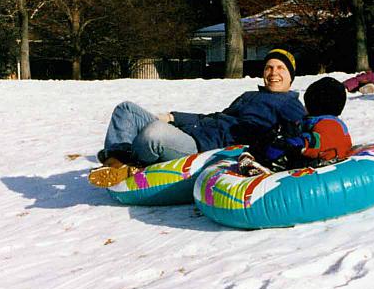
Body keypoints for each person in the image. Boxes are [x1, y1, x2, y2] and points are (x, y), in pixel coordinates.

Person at [89, 49, 306, 187]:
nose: (273, 72)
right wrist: (174, 117)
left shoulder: (290, 104)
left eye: (280, 68)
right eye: (269, 67)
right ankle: (115, 162)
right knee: (126, 109)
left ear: (290, 76)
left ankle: (126, 159)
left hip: (204, 146)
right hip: (192, 132)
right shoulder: (249, 96)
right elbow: (214, 117)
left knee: (153, 133)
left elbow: (306, 130)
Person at [238, 76, 352, 175]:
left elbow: (320, 142)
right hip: (310, 155)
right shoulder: (319, 121)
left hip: (320, 161)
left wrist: (299, 143)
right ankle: (256, 155)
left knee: (283, 144)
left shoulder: (330, 124)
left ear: (315, 105)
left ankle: (267, 165)